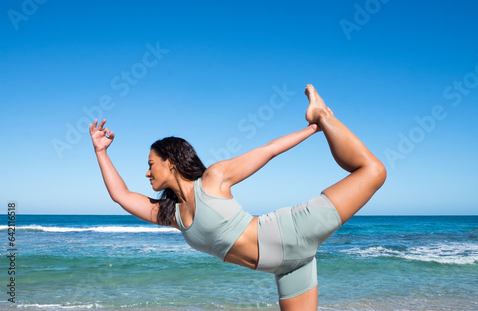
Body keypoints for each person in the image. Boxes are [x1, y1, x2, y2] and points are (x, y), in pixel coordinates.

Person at [89, 84, 386, 310]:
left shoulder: (213, 179)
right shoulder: (173, 216)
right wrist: (101, 151)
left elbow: (267, 151)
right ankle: (323, 119)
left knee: (373, 171)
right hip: (289, 267)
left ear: (171, 161)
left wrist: (311, 129)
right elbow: (121, 195)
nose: (147, 173)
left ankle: (322, 114)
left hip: (293, 231)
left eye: (150, 164)